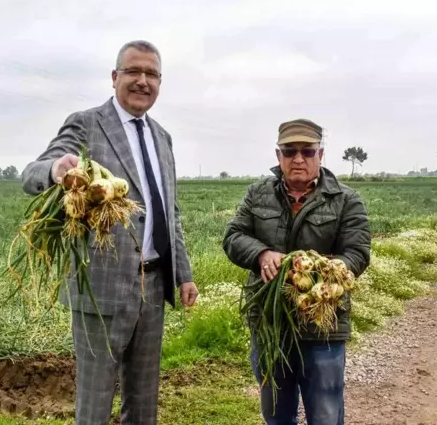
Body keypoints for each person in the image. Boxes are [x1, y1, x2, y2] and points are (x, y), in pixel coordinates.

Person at [21, 40, 199, 425]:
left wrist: (183, 275)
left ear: (160, 82)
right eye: (133, 72)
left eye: (151, 74)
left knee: (144, 396)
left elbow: (170, 213)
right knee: (96, 399)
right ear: (115, 77)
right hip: (101, 288)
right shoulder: (87, 123)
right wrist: (55, 171)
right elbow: (33, 171)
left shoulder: (162, 138)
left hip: (152, 285)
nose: (142, 81)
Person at [222, 119, 371, 425]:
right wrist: (261, 254)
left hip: (322, 326)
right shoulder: (257, 193)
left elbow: (357, 253)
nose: (298, 159)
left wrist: (321, 272)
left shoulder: (346, 200)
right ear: (279, 156)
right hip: (269, 323)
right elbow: (233, 237)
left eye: (307, 151)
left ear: (321, 154)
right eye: (290, 152)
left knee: (326, 414)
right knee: (276, 413)